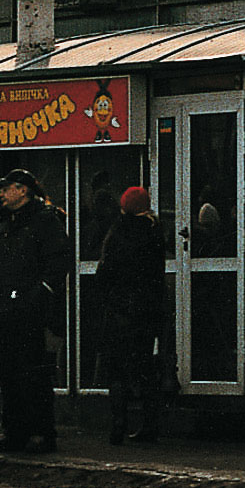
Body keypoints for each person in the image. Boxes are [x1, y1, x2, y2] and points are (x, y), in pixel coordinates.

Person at [0, 166, 72, 455]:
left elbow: (59, 261)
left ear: (23, 190)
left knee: (34, 374)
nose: (1, 193)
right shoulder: (4, 223)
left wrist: (39, 293)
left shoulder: (45, 221)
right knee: (7, 375)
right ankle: (13, 431)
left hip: (30, 313)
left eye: (7, 188)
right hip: (1, 310)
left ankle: (41, 433)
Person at [89, 184, 173, 445]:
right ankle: (149, 426)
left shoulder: (118, 232)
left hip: (119, 312)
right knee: (145, 369)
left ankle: (118, 426)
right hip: (146, 312)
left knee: (117, 371)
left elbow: (105, 273)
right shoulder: (154, 231)